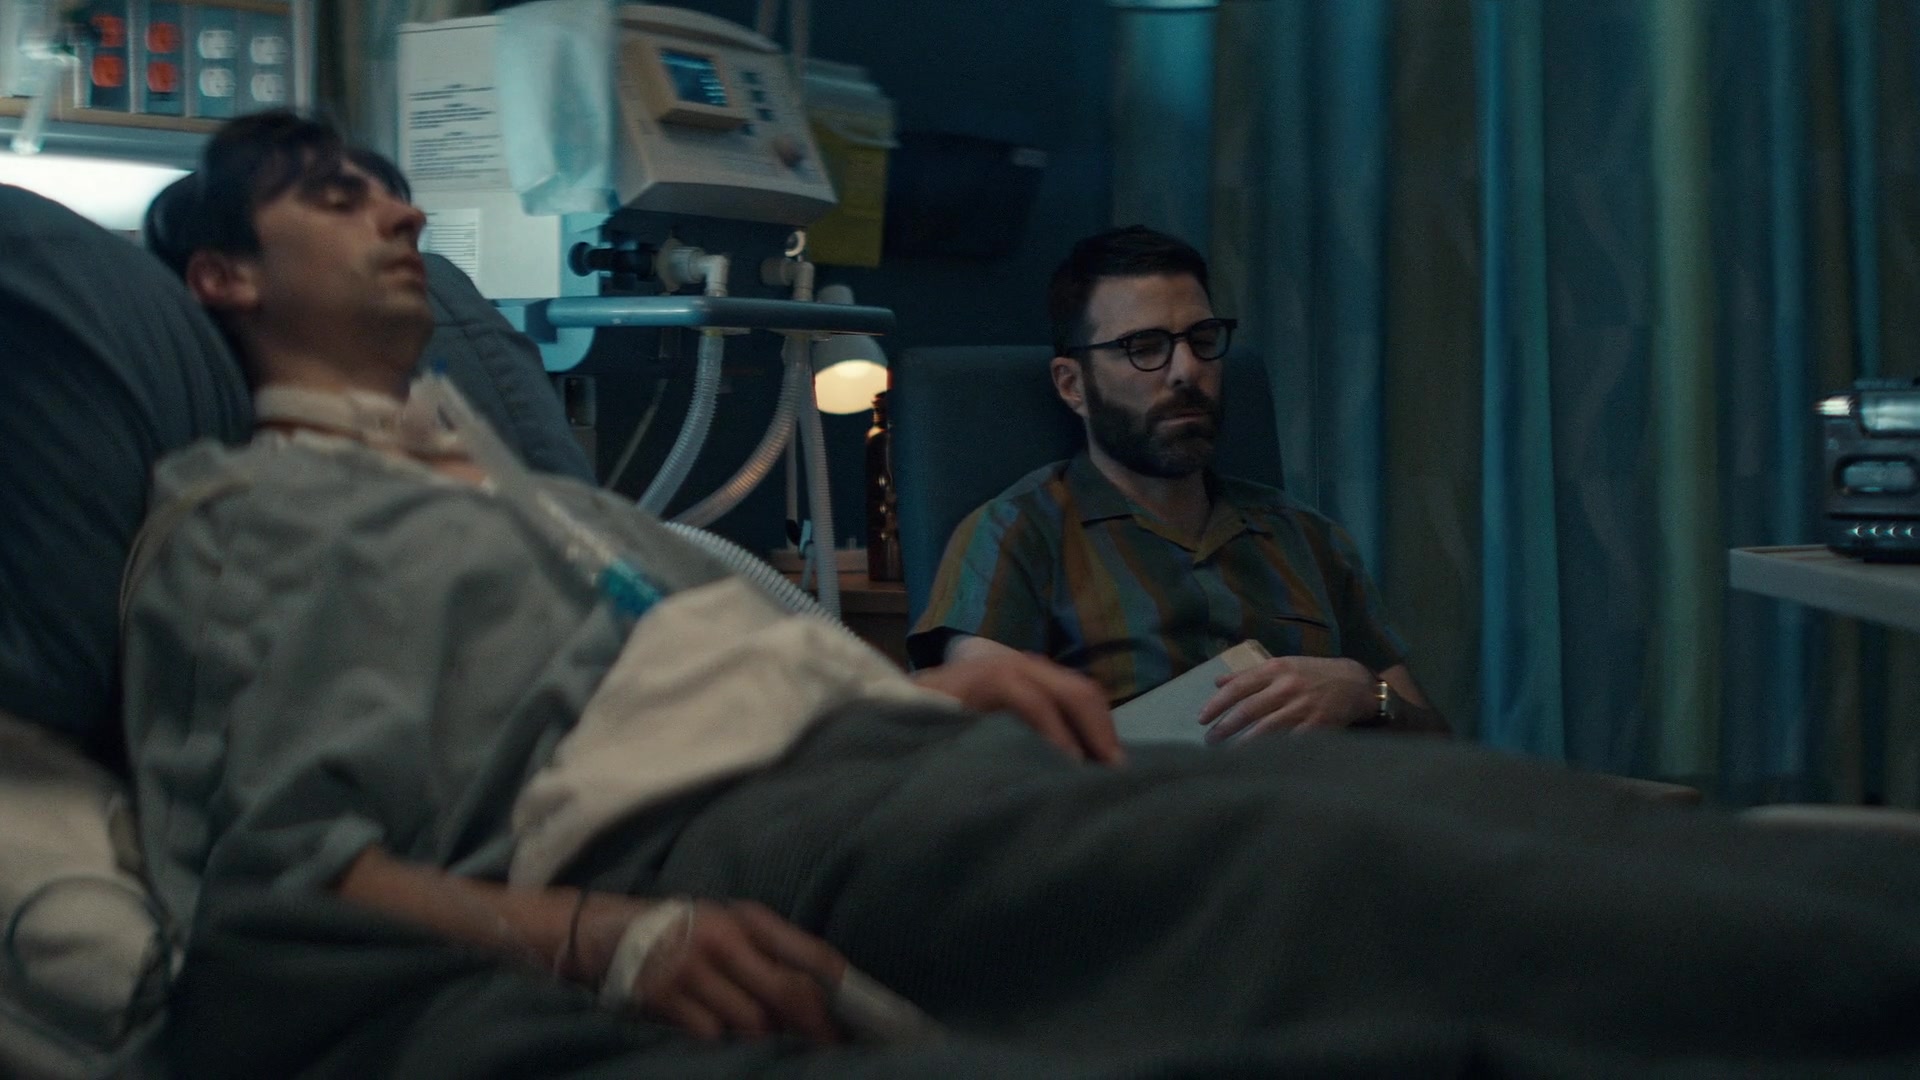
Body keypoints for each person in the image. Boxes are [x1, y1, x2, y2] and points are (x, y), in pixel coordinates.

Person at [124, 112, 1920, 1077]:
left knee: (1469, 817)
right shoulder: (250, 517)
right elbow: (276, 874)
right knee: (1327, 873)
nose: (399, 218)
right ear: (220, 277)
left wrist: (907, 687)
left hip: (885, 751)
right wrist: (612, 938)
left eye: (398, 192)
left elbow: (687, 647)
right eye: (338, 199)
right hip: (731, 822)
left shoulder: (520, 491)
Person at [909, 226, 1447, 741]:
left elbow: (1438, 753)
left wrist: (1368, 695)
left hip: (1327, 795)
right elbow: (978, 747)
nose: (1187, 370)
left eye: (1203, 339)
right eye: (1144, 347)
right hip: (1138, 798)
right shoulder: (1017, 534)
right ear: (1073, 385)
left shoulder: (1309, 538)